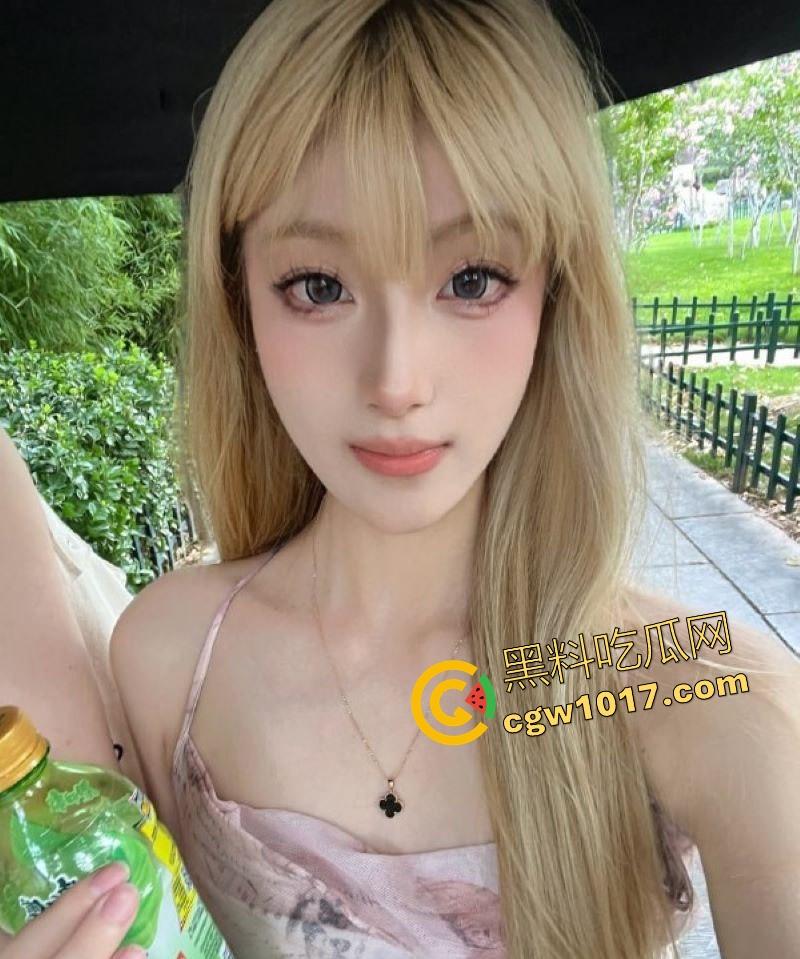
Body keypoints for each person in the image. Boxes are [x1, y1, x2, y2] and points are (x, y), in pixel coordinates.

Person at [3, 1, 799, 957]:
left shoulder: (683, 681)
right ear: (239, 299)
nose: (395, 381)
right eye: (319, 285)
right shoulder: (170, 656)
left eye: (472, 279)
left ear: (558, 289)